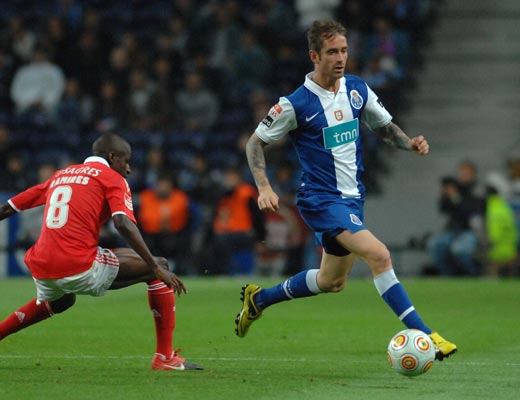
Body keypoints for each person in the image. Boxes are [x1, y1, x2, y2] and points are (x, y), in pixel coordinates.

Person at [234, 20, 457, 361]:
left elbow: (384, 128)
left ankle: (259, 299)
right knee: (379, 255)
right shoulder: (295, 104)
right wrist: (264, 187)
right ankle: (426, 334)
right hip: (321, 200)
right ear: (314, 56)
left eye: (344, 50)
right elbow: (254, 143)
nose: (340, 58)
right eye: (332, 52)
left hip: (353, 198)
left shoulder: (356, 89)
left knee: (331, 281)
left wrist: (409, 143)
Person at [0, 133, 202, 371]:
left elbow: (9, 207)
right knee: (160, 266)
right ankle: (165, 357)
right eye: (126, 161)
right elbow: (122, 223)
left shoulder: (62, 175)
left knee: (63, 300)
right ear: (112, 157)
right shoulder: (111, 178)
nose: (128, 169)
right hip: (77, 264)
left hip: (41, 265)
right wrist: (154, 267)